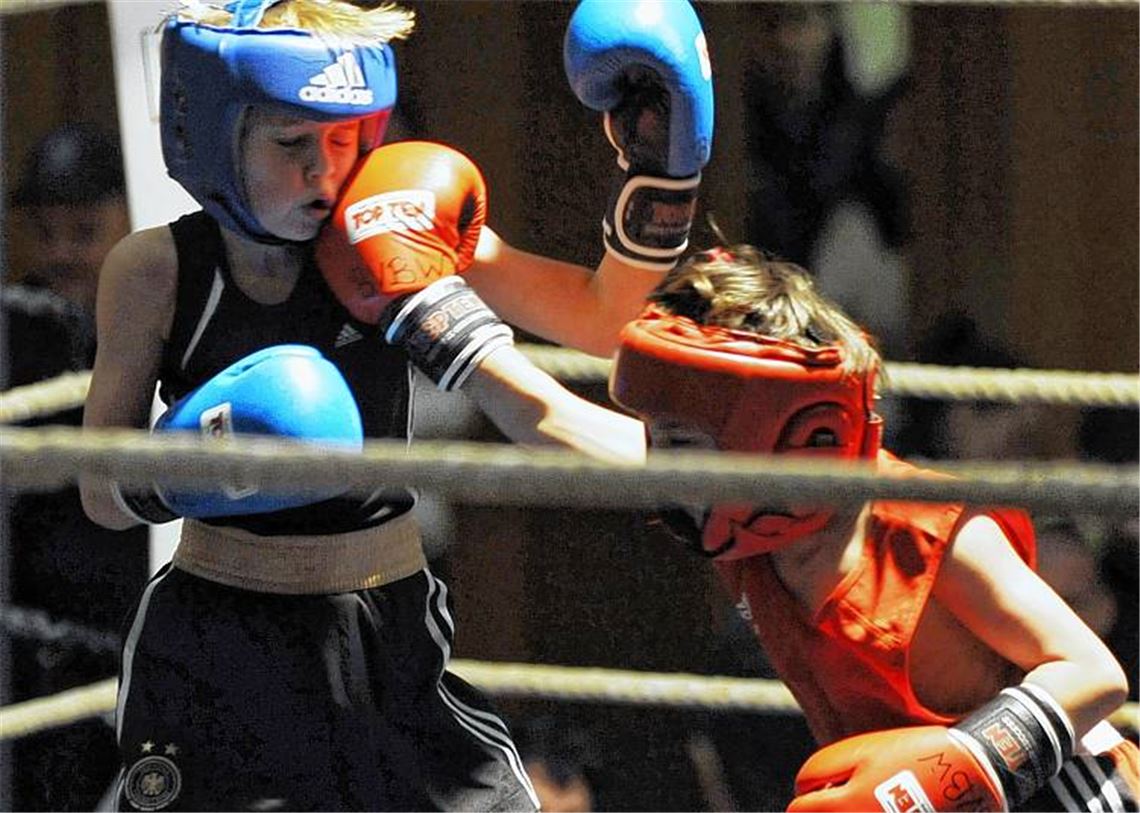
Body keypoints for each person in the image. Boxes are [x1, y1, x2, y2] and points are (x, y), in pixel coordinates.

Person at [78, 0, 711, 809]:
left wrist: (663, 179)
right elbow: (99, 489)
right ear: (211, 132)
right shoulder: (155, 270)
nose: (324, 172)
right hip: (216, 637)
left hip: (388, 620)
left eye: (346, 139)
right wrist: (198, 456)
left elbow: (600, 318)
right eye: (291, 143)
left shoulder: (398, 222)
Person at [608, 243, 1138, 812]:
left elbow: (1092, 671)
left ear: (783, 437)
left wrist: (954, 768)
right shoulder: (740, 519)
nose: (665, 467)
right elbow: (553, 423)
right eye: (658, 437)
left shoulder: (925, 528)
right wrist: (493, 327)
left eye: (680, 441)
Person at [3, 122, 148, 811]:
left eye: (84, 231)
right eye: (46, 232)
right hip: (30, 645)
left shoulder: (165, 323)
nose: (62, 254)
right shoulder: (13, 326)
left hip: (139, 638)